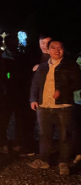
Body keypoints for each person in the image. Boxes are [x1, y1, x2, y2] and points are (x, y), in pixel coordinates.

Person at [28, 40, 81, 176]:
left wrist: (62, 91)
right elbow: (35, 84)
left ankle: (63, 162)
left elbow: (78, 83)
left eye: (60, 48)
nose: (57, 50)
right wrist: (33, 99)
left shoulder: (71, 65)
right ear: (48, 50)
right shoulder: (43, 67)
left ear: (64, 49)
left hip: (63, 106)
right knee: (44, 134)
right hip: (44, 105)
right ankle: (44, 159)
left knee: (65, 135)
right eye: (53, 48)